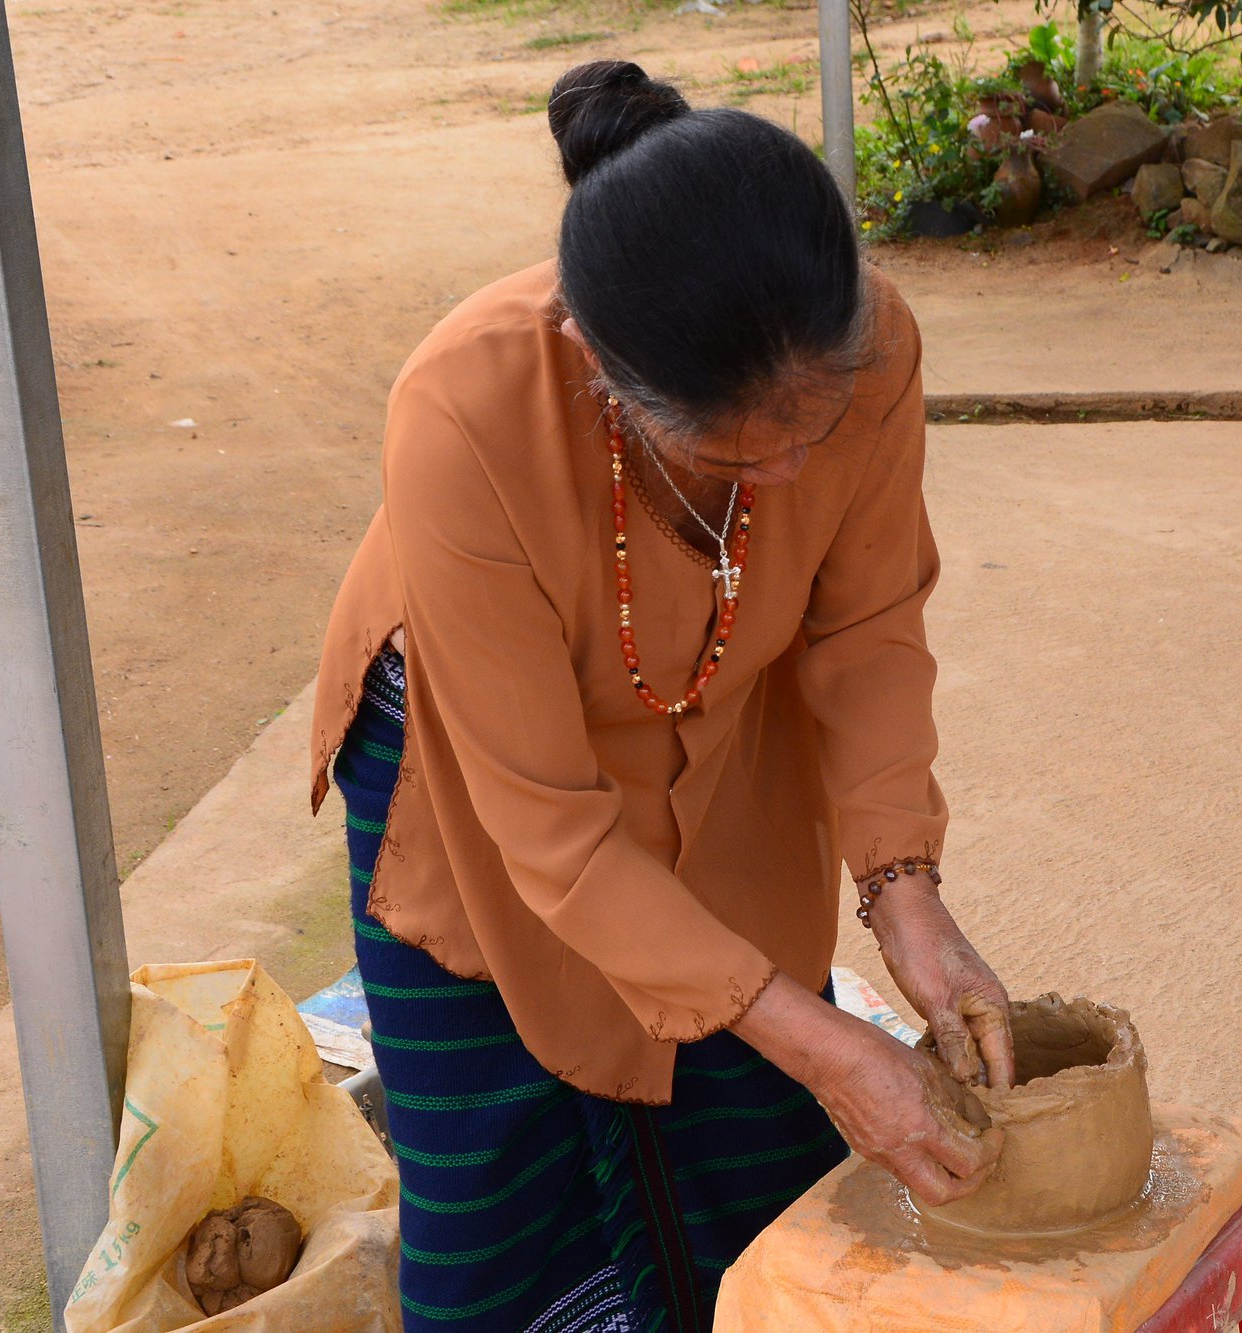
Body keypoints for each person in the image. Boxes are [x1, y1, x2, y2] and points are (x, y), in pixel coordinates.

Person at [308, 60, 1012, 1333]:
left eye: (818, 430)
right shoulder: (463, 412)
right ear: (597, 365)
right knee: (501, 1181)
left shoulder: (873, 341)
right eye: (742, 452)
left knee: (742, 1149)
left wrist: (903, 889)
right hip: (477, 775)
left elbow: (863, 626)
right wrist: (822, 1043)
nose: (797, 471)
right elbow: (556, 833)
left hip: (723, 725)